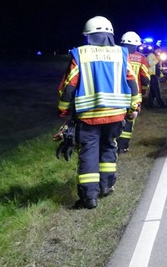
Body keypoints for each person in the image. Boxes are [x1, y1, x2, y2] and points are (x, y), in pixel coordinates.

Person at [56, 16, 141, 209]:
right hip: (116, 115)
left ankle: (89, 197)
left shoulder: (80, 54)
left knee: (89, 152)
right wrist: (133, 108)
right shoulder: (121, 53)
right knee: (109, 147)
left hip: (89, 116)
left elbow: (70, 86)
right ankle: (106, 186)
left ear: (88, 36)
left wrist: (62, 109)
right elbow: (132, 83)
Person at [118, 31, 150, 153]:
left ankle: (113, 144)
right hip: (134, 94)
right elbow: (145, 78)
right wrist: (144, 90)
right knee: (130, 119)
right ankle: (123, 147)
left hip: (117, 94)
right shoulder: (141, 58)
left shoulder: (116, 54)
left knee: (116, 118)